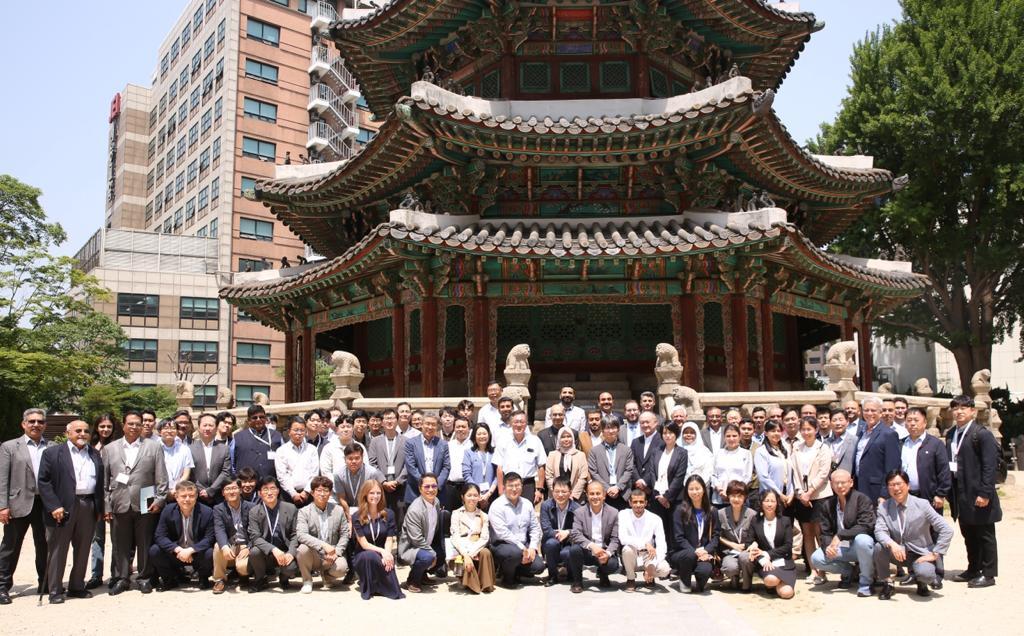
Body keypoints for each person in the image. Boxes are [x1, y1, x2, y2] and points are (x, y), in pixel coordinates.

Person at [37, 419, 104, 604]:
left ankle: (76, 586)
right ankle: (55, 590)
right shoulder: (52, 453)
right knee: (58, 549)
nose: (82, 434)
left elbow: (100, 483)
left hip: (88, 504)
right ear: (68, 433)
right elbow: (43, 482)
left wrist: (99, 508)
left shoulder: (94, 453)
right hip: (63, 506)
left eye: (85, 431)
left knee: (83, 548)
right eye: (78, 431)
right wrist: (53, 506)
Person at [102, 410, 168, 595]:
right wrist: (106, 505)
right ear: (123, 425)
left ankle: (144, 578)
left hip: (146, 499)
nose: (134, 427)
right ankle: (121, 578)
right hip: (119, 501)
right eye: (130, 423)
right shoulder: (110, 449)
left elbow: (161, 477)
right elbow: (105, 482)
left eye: (138, 424)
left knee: (144, 542)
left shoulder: (153, 447)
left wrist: (160, 499)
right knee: (119, 544)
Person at [945, 395, 1001, 588]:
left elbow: (989, 466)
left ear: (972, 411)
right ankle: (973, 568)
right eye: (956, 408)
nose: (959, 411)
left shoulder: (981, 434)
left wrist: (985, 493)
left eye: (964, 408)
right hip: (960, 492)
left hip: (978, 492)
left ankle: (989, 573)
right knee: (968, 532)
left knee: (984, 533)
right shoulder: (951, 434)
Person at [874, 470, 953, 599]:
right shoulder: (884, 507)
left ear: (908, 485)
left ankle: (921, 581)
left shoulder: (922, 504)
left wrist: (935, 553)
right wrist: (892, 544)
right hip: (898, 552)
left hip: (920, 553)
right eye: (891, 485)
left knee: (926, 574)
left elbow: (946, 529)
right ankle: (887, 582)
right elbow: (879, 531)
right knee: (878, 547)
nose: (896, 488)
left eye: (899, 484)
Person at [0, 408, 52, 605]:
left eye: (40, 421)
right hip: (17, 504)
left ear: (45, 425)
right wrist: (2, 506)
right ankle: (2, 586)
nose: (36, 424)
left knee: (44, 545)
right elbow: (2, 478)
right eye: (32, 421)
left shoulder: (52, 446)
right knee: (10, 547)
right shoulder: (9, 447)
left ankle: (44, 583)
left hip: (44, 504)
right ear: (23, 424)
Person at [902, 406, 951, 587]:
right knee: (909, 533)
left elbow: (944, 472)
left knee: (934, 533)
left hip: (929, 496)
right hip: (907, 496)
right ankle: (913, 572)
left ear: (924, 422)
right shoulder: (902, 443)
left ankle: (937, 573)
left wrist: (941, 493)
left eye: (916, 420)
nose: (912, 424)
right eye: (909, 420)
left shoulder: (935, 444)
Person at [810, 469, 876, 597]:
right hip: (841, 548)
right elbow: (825, 532)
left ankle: (866, 582)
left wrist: (841, 535)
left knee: (863, 540)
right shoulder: (828, 504)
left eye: (843, 482)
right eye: (836, 483)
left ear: (851, 482)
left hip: (859, 548)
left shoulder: (862, 499)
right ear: (831, 484)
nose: (840, 486)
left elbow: (866, 526)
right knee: (816, 558)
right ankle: (849, 572)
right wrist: (828, 547)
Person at [149, 480, 215, 591]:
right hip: (176, 553)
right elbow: (159, 536)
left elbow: (209, 538)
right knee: (155, 550)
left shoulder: (207, 512)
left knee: (209, 553)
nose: (187, 499)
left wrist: (191, 550)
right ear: (176, 497)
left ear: (196, 496)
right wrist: (177, 549)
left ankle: (203, 578)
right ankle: (170, 580)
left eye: (191, 496)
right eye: (183, 496)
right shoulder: (168, 510)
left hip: (196, 553)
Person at [789, 416, 833, 580]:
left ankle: (823, 570)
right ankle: (813, 570)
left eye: (809, 429)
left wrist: (810, 491)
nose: (806, 432)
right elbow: (793, 471)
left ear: (816, 430)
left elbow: (823, 473)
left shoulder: (823, 448)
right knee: (806, 533)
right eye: (804, 429)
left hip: (820, 495)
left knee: (819, 534)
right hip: (802, 497)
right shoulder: (796, 448)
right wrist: (800, 492)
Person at [488, 472, 545, 587]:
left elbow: (535, 528)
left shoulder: (527, 504)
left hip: (524, 545)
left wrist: (533, 547)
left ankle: (516, 572)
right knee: (514, 554)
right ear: (504, 487)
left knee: (539, 566)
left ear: (522, 486)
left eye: (517, 485)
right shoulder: (497, 506)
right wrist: (523, 549)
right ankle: (507, 577)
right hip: (502, 545)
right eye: (510, 486)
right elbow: (503, 534)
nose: (514, 489)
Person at [295, 476, 349, 593]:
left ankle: (327, 577)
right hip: (313, 554)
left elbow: (345, 534)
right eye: (319, 491)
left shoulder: (338, 510)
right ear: (312, 493)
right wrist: (323, 546)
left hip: (332, 554)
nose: (322, 494)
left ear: (330, 493)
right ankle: (307, 580)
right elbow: (301, 535)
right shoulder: (304, 511)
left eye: (326, 491)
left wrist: (337, 552)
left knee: (341, 568)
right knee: (302, 549)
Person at [350, 480, 404, 599]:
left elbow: (389, 539)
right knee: (370, 555)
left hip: (383, 553)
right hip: (363, 554)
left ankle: (382, 587)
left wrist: (388, 554)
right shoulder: (356, 516)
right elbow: (364, 544)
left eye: (378, 493)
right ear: (365, 495)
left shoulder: (389, 514)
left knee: (385, 559)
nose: (375, 496)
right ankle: (371, 587)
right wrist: (383, 552)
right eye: (372, 493)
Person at [85, 413, 120, 589]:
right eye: (102, 426)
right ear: (96, 428)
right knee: (97, 538)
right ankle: (96, 575)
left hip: (114, 497)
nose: (105, 430)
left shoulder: (118, 446)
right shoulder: (89, 447)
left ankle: (115, 574)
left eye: (109, 426)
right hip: (94, 498)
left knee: (116, 538)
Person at [246, 476, 298, 592]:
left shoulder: (291, 508)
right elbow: (255, 537)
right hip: (265, 552)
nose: (269, 493)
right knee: (254, 551)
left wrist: (291, 552)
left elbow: (295, 534)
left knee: (291, 568)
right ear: (259, 493)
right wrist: (273, 549)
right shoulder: (254, 511)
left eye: (273, 488)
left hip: (284, 550)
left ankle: (284, 577)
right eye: (265, 489)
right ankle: (260, 579)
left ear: (278, 491)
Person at [741, 489, 796, 599]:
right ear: (761, 502)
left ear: (777, 503)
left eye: (773, 501)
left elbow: (788, 546)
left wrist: (767, 554)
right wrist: (762, 558)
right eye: (766, 501)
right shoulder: (755, 520)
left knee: (787, 594)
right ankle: (772, 584)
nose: (770, 504)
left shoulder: (785, 521)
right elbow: (748, 543)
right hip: (766, 564)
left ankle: (778, 584)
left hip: (784, 562)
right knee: (771, 580)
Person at [567, 481, 620, 593]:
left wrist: (608, 553)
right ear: (587, 495)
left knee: (613, 564)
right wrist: (592, 546)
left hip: (603, 551)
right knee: (574, 550)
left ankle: (603, 574)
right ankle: (577, 581)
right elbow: (576, 534)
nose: (595, 497)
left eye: (598, 493)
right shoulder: (579, 512)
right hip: (586, 551)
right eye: (592, 494)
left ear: (604, 495)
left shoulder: (613, 513)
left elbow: (615, 539)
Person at [398, 473, 445, 593]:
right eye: (427, 487)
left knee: (442, 554)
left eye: (434, 486)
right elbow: (416, 539)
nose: (431, 490)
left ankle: (423, 575)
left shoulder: (437, 502)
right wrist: (432, 553)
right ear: (420, 489)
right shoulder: (415, 509)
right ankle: (412, 580)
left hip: (425, 543)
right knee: (429, 557)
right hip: (411, 547)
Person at [670, 475, 717, 593]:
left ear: (704, 489)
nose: (695, 492)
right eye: (691, 489)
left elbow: (716, 536)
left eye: (698, 488)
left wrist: (706, 550)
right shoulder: (679, 510)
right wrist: (695, 551)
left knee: (705, 571)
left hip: (704, 552)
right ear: (686, 491)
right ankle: (684, 580)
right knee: (689, 555)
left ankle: (700, 583)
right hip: (683, 553)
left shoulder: (712, 511)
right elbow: (678, 538)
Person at [647, 421, 687, 553]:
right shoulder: (656, 451)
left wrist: (667, 497)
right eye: (665, 433)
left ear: (676, 434)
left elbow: (679, 477)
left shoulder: (682, 453)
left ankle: (672, 558)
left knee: (673, 529)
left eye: (670, 433)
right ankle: (659, 557)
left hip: (674, 499)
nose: (667, 436)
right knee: (659, 530)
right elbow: (652, 473)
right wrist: (659, 495)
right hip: (657, 498)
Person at [619, 489, 671, 592]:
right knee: (626, 549)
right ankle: (630, 579)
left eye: (641, 502)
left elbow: (662, 544)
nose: (638, 505)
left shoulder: (655, 519)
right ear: (630, 503)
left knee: (665, 570)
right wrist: (644, 543)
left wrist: (652, 565)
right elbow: (623, 538)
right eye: (635, 502)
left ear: (646, 503)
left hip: (648, 555)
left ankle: (648, 574)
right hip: (632, 554)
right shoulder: (623, 515)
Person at [450, 483, 496, 594]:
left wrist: (470, 554)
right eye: (469, 495)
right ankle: (469, 581)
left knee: (485, 552)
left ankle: (485, 583)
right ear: (462, 497)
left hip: (476, 547)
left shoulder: (483, 516)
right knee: (460, 554)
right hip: (461, 547)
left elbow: (484, 538)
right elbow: (455, 537)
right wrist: (465, 554)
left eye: (475, 495)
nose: (472, 498)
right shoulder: (456, 514)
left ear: (479, 497)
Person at [854, 397, 901, 503]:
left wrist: (885, 493)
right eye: (866, 410)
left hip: (876, 490)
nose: (869, 413)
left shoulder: (888, 434)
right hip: (859, 486)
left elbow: (892, 466)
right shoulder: (861, 433)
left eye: (873, 410)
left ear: (880, 413)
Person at [494, 411, 545, 504]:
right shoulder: (502, 441)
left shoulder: (535, 441)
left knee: (527, 514)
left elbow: (541, 466)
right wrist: (501, 490)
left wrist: (539, 490)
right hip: (509, 484)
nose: (519, 425)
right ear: (510, 423)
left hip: (528, 485)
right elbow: (499, 468)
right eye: (516, 422)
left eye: (522, 422)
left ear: (526, 424)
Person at [211, 480, 253, 593]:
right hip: (230, 545)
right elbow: (219, 530)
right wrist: (224, 546)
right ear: (223, 493)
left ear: (240, 490)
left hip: (245, 545)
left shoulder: (251, 507)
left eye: (234, 488)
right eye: (227, 489)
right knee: (217, 546)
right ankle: (219, 580)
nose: (231, 492)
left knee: (243, 567)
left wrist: (249, 547)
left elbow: (256, 531)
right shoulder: (218, 509)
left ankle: (243, 576)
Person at [367, 408, 407, 526]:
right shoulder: (375, 442)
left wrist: (398, 481)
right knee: (382, 518)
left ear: (397, 421)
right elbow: (372, 463)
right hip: (380, 488)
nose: (389, 421)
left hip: (400, 488)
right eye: (386, 418)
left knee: (400, 519)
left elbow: (408, 464)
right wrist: (383, 481)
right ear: (382, 422)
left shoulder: (406, 441)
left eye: (392, 418)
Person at [714, 481, 757, 590]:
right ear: (728, 496)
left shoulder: (752, 514)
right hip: (729, 552)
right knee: (730, 567)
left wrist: (749, 545)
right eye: (733, 496)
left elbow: (757, 535)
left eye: (740, 496)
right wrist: (732, 545)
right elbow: (716, 535)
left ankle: (747, 582)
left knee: (745, 559)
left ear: (745, 497)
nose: (736, 499)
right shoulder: (721, 514)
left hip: (746, 551)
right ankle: (734, 577)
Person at [586, 416, 634, 510]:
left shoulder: (626, 449)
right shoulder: (594, 451)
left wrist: (618, 487)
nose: (611, 431)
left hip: (622, 494)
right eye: (607, 428)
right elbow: (593, 472)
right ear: (602, 430)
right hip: (603, 495)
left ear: (618, 430)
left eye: (613, 427)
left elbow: (629, 470)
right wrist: (607, 488)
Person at [539, 477, 580, 586]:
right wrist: (560, 534)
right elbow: (546, 529)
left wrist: (567, 533)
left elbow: (578, 530)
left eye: (564, 491)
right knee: (551, 544)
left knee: (567, 552)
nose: (560, 495)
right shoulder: (545, 506)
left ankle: (571, 573)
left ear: (570, 492)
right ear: (552, 491)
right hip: (552, 540)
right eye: (557, 491)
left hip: (568, 542)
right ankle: (552, 576)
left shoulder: (577, 508)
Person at [230, 405, 282, 480]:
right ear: (248, 420)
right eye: (254, 418)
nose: (258, 420)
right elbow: (232, 464)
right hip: (246, 484)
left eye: (261, 417)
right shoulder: (238, 437)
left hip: (270, 485)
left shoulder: (277, 436)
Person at [190, 413, 231, 507]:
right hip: (197, 497)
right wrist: (201, 490)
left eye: (211, 425)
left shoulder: (224, 449)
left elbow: (225, 472)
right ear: (199, 428)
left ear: (216, 428)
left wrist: (211, 490)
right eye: (204, 425)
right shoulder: (190, 449)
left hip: (218, 497)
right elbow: (190, 473)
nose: (207, 428)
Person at [710, 424, 753, 508]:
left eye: (734, 436)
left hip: (738, 497)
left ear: (739, 437)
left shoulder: (746, 454)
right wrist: (720, 489)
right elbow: (713, 475)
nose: (731, 439)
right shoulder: (719, 453)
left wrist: (732, 492)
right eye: (728, 436)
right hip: (720, 497)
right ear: (724, 437)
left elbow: (747, 477)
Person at [754, 421, 794, 507]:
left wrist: (791, 493)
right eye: (772, 431)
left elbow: (791, 474)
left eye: (778, 431)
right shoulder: (761, 451)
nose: (776, 433)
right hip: (770, 497)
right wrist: (779, 494)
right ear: (766, 433)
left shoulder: (786, 449)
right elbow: (763, 477)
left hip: (788, 496)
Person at [545, 427, 588, 502]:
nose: (566, 439)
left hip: (575, 499)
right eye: (563, 437)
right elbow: (549, 476)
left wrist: (573, 495)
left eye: (569, 436)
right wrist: (558, 493)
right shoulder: (552, 455)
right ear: (558, 439)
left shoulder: (580, 455)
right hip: (556, 498)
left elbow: (583, 477)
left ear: (573, 438)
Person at [463, 423, 497, 510]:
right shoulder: (468, 453)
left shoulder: (495, 452)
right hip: (473, 496)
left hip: (492, 495)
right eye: (479, 434)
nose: (482, 436)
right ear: (474, 436)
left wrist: (488, 494)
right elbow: (467, 474)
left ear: (489, 435)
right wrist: (477, 493)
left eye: (484, 433)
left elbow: (498, 475)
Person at [630, 411, 664, 495]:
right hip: (637, 489)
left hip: (654, 488)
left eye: (647, 422)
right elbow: (631, 463)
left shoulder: (663, 441)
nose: (645, 425)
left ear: (656, 423)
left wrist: (645, 482)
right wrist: (638, 480)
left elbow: (660, 464)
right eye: (642, 423)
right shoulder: (636, 442)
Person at [157, 418, 194, 496]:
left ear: (177, 431)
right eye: (166, 428)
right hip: (158, 493)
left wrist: (176, 489)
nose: (169, 431)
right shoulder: (153, 448)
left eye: (173, 428)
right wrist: (165, 491)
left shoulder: (184, 449)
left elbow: (186, 473)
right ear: (160, 431)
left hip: (178, 492)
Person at [444, 417, 473, 511]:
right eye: (458, 427)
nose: (460, 429)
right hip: (450, 488)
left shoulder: (473, 446)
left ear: (469, 429)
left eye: (463, 427)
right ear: (454, 428)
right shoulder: (448, 445)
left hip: (468, 487)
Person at [824, 409, 856, 474]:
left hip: (848, 481)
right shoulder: (825, 443)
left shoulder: (855, 441)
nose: (838, 423)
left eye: (841, 420)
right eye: (834, 420)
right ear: (830, 423)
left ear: (847, 422)